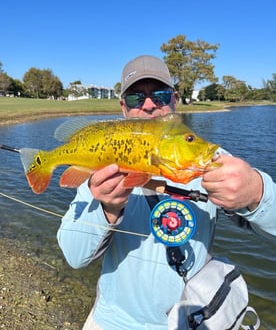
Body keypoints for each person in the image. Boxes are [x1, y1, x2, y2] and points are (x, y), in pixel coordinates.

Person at [57, 55, 276, 330]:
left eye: (159, 95)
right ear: (123, 107)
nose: (149, 105)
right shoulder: (102, 165)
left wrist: (257, 193)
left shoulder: (210, 159)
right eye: (137, 98)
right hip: (113, 322)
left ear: (174, 99)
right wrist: (107, 209)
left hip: (189, 321)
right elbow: (75, 256)